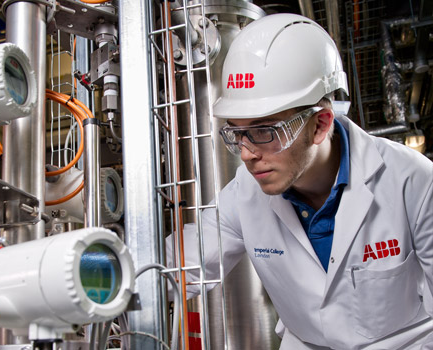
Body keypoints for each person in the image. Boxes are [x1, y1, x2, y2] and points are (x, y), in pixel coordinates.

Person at [171, 13, 433, 349]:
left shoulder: (413, 183)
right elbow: (177, 264)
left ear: (321, 124)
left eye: (265, 131)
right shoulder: (243, 196)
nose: (247, 153)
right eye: (238, 133)